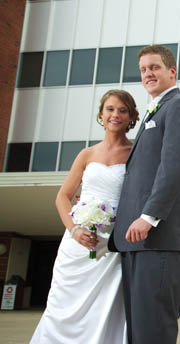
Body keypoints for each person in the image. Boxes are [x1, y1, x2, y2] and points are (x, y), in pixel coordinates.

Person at [109, 45, 180, 344]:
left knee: (154, 330)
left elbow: (174, 168)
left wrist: (149, 216)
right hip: (135, 243)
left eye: (155, 67)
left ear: (171, 71)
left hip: (157, 239)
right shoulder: (158, 109)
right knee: (138, 329)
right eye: (143, 69)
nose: (148, 73)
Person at [31, 90, 139, 343]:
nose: (115, 115)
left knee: (106, 308)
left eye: (122, 110)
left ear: (132, 117)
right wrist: (74, 229)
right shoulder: (86, 154)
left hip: (112, 245)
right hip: (77, 243)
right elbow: (62, 197)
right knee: (63, 305)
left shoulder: (137, 153)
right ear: (101, 114)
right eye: (110, 109)